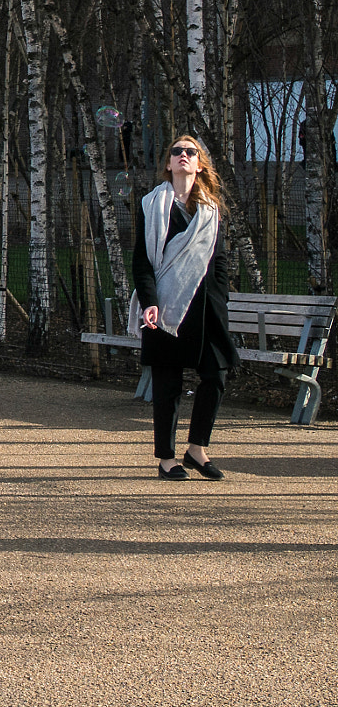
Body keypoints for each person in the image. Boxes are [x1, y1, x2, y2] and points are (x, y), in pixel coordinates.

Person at [133, 136, 237, 480]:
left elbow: (218, 261)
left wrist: (219, 300)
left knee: (216, 375)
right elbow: (142, 261)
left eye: (190, 152)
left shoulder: (211, 210)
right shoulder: (151, 205)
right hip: (166, 304)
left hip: (206, 305)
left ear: (200, 164)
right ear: (168, 163)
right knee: (167, 382)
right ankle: (166, 457)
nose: (182, 156)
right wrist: (150, 302)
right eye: (176, 151)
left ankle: (197, 449)